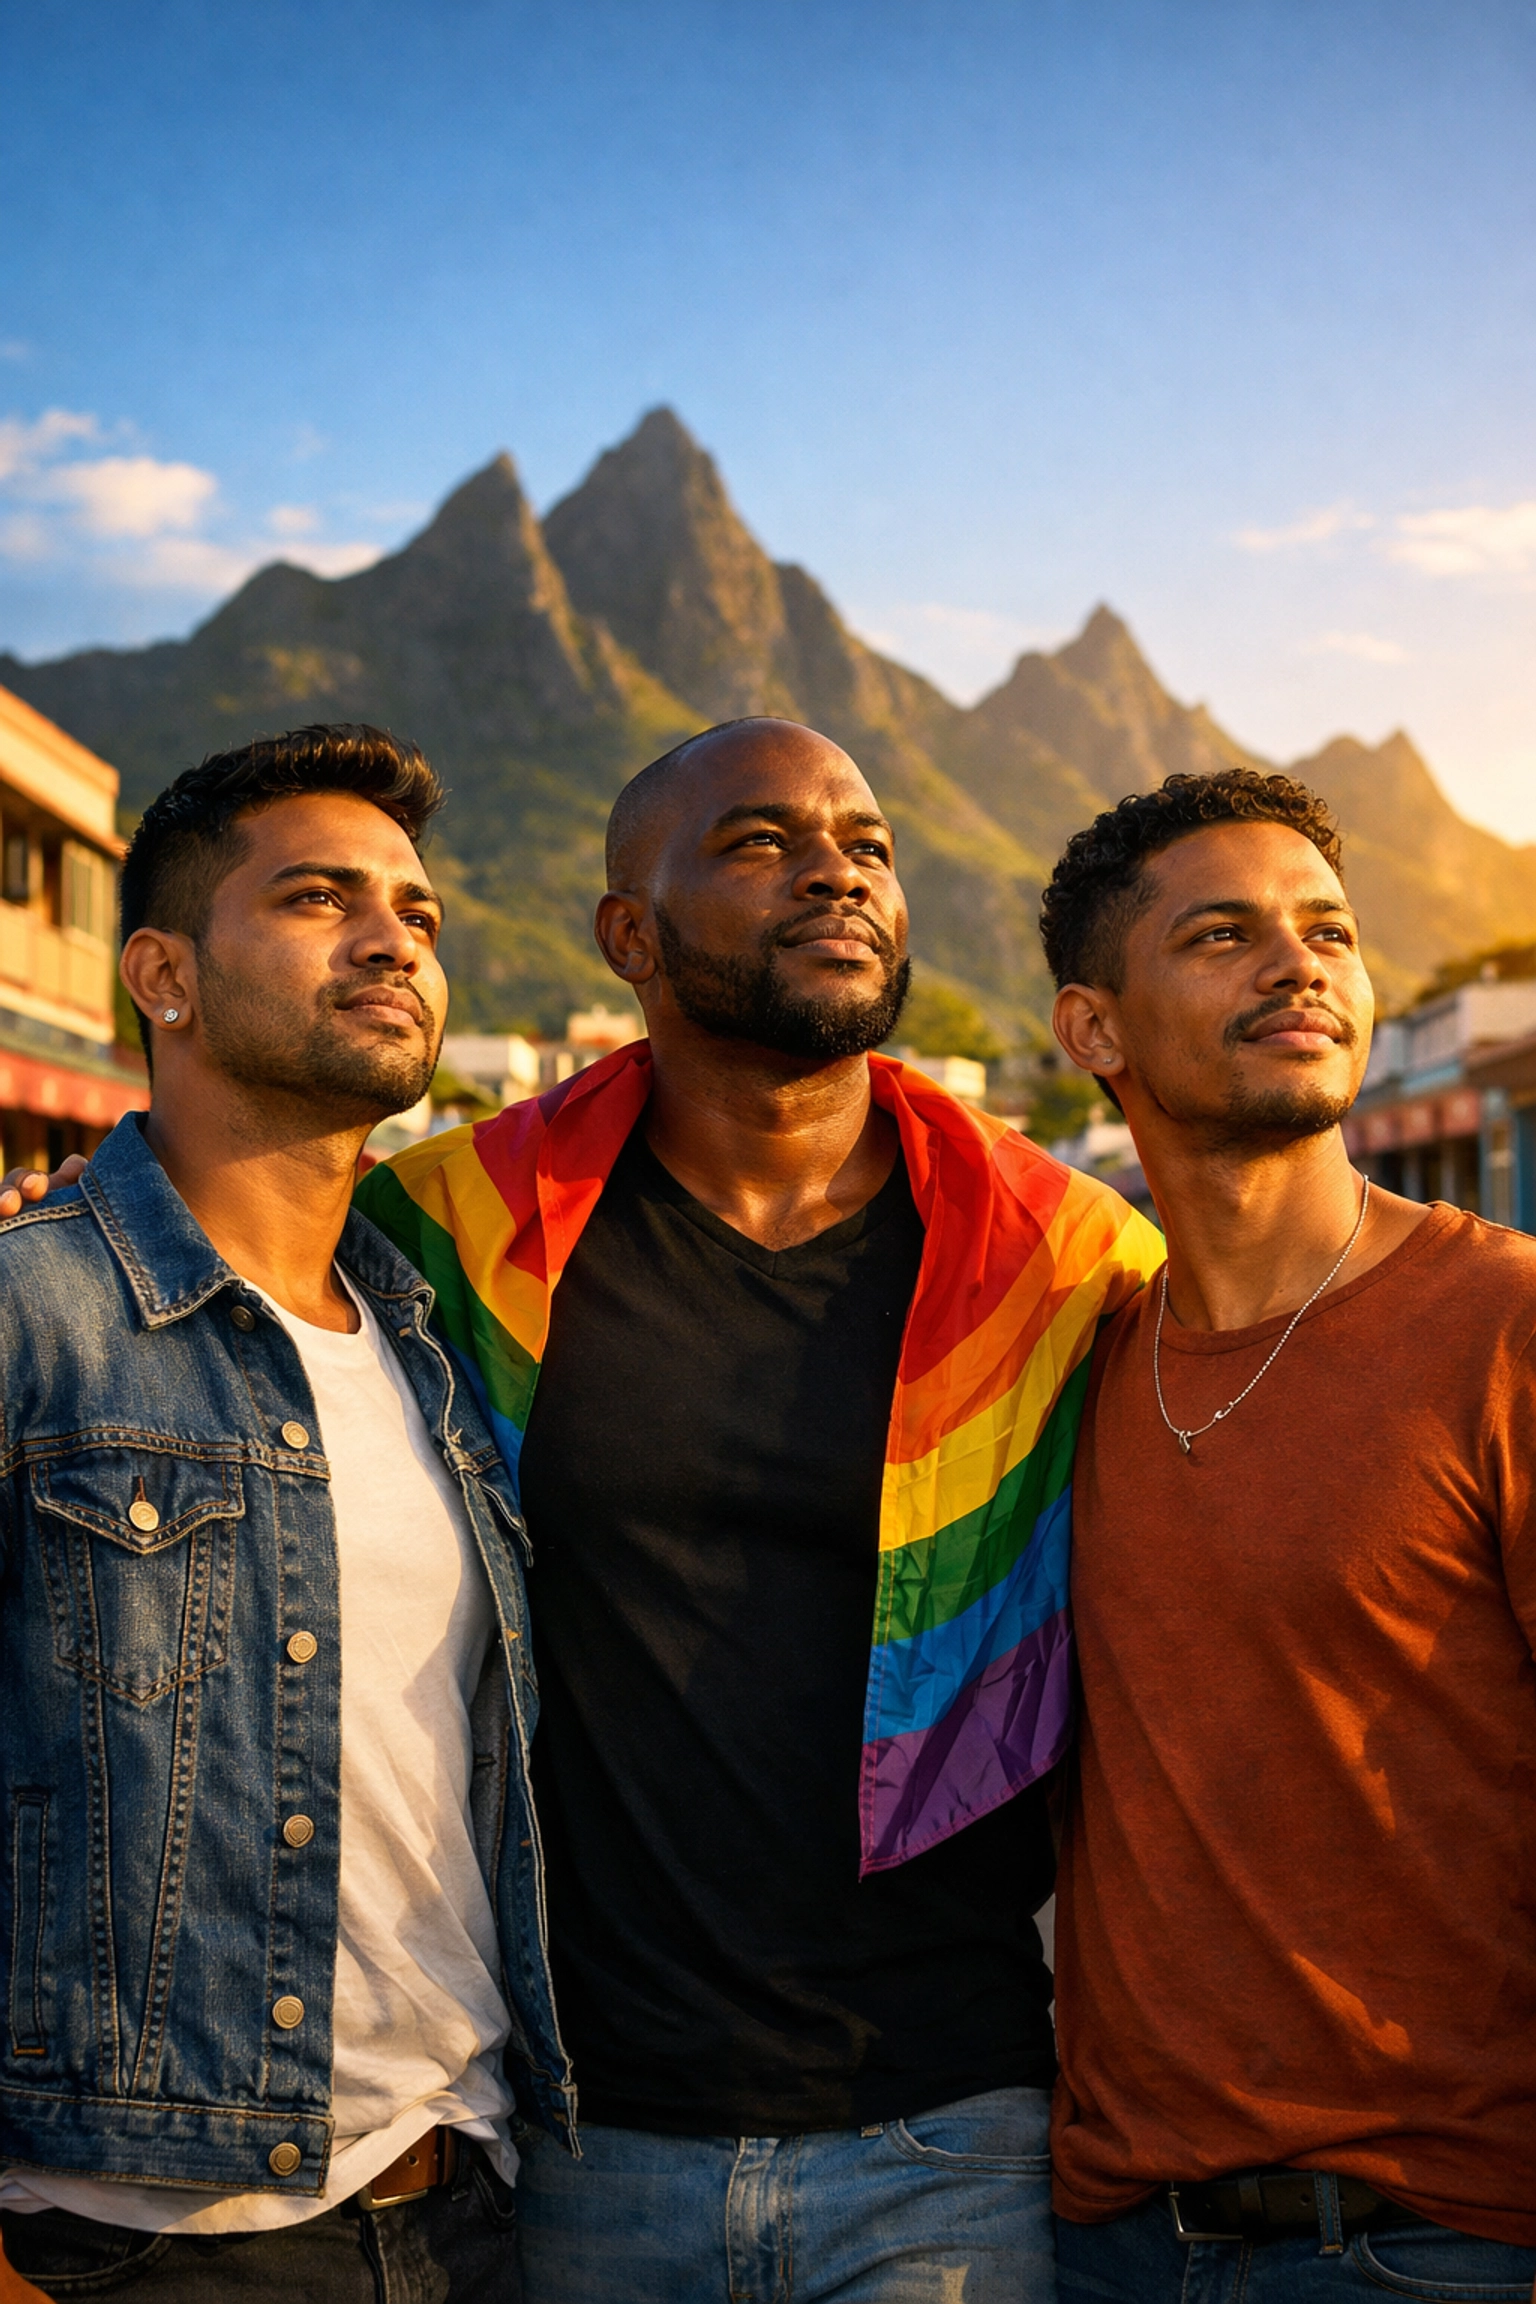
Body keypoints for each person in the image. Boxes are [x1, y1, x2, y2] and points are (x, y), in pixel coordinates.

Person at [354, 716, 1165, 2303]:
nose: (838, 874)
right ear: (628, 934)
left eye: (865, 843)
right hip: (584, 2134)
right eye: (758, 843)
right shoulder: (447, 1234)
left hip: (948, 2136)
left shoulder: (1062, 1263)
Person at [0, 727, 562, 2302]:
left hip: (465, 2205)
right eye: (320, 897)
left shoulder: (435, 1356)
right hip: (147, 2244)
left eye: (419, 913)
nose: (393, 937)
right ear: (163, 976)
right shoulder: (34, 1318)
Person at [1041, 767, 1536, 2300]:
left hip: (1438, 2240)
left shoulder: (1502, 1326)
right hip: (1115, 2239)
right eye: (1222, 935)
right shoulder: (1078, 1367)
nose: (1298, 963)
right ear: (1095, 1030)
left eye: (1328, 929)